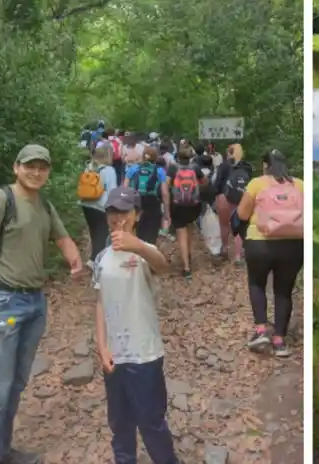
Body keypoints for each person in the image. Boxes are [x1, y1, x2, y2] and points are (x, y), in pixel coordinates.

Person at [0, 144, 84, 464]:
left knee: (16, 384)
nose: (36, 172)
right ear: (16, 167)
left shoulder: (44, 204)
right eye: (30, 166)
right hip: (2, 302)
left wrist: (73, 257)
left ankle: (2, 451)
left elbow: (61, 237)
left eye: (42, 167)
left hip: (34, 303)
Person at [92, 186, 178, 464]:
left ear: (137, 215)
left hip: (144, 353)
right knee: (120, 421)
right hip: (115, 354)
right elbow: (100, 302)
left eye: (124, 212)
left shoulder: (145, 252)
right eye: (112, 212)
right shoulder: (102, 258)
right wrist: (101, 346)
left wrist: (137, 245)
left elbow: (163, 266)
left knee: (151, 420)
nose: (118, 218)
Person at [235, 149, 303, 357]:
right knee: (283, 291)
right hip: (293, 244)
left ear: (265, 165)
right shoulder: (300, 184)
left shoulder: (257, 184)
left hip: (260, 243)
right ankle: (280, 340)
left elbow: (242, 213)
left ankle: (261, 330)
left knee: (257, 284)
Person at [166, 146, 207, 278]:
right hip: (193, 205)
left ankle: (186, 267)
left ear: (177, 157)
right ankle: (188, 255)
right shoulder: (195, 168)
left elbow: (166, 184)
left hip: (177, 205)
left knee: (181, 233)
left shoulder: (173, 168)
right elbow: (205, 181)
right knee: (189, 230)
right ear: (190, 157)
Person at [213, 144, 251, 265]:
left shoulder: (223, 165)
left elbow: (217, 183)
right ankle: (238, 256)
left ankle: (224, 249)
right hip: (242, 198)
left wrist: (215, 195)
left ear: (229, 153)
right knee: (240, 226)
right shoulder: (247, 166)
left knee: (224, 225)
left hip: (225, 198)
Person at [80, 146, 118, 267]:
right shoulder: (109, 170)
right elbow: (112, 190)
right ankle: (97, 261)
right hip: (101, 205)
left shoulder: (89, 167)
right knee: (102, 233)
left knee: (93, 231)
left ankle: (93, 258)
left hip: (86, 203)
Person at [124, 146, 170, 244]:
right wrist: (166, 213)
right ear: (156, 157)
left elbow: (125, 189)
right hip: (153, 203)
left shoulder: (133, 169)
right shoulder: (160, 171)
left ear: (143, 156)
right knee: (151, 233)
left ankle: (139, 253)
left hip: (136, 202)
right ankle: (149, 252)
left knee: (138, 231)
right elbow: (165, 193)